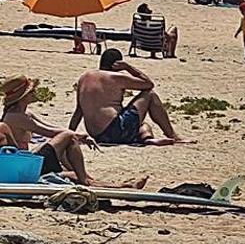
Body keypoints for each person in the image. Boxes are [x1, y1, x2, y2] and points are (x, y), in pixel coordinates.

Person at [1, 76, 146, 188]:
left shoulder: (26, 114)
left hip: (28, 162)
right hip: (23, 167)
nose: (34, 93)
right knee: (67, 139)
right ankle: (87, 181)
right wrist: (78, 136)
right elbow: (49, 132)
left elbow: (53, 128)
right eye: (31, 91)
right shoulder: (15, 117)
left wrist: (78, 136)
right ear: (23, 96)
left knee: (70, 162)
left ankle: (118, 185)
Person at [69, 50, 189, 146]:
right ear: (118, 64)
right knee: (150, 95)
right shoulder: (115, 77)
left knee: (143, 126)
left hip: (97, 135)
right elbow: (148, 84)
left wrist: (70, 134)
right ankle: (172, 135)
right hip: (116, 130)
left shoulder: (84, 78)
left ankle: (147, 139)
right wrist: (128, 67)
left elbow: (78, 111)